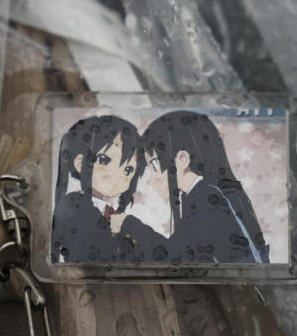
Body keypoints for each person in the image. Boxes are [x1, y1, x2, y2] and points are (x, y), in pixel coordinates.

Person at [111, 110, 269, 264]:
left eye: (154, 165)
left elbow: (172, 257)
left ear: (182, 159)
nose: (151, 180)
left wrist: (128, 224)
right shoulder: (198, 196)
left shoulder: (205, 199)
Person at [52, 115, 144, 263]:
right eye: (104, 160)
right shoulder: (74, 205)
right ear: (79, 163)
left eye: (128, 170)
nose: (116, 176)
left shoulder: (111, 210)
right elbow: (95, 254)